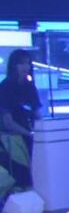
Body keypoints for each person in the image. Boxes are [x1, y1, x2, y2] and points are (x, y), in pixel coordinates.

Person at [0, 49, 41, 189]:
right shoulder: (5, 88)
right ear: (13, 65)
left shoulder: (30, 87)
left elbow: (37, 113)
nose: (25, 67)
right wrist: (29, 134)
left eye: (27, 63)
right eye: (21, 63)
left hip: (31, 137)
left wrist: (39, 132)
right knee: (22, 175)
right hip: (12, 139)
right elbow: (8, 122)